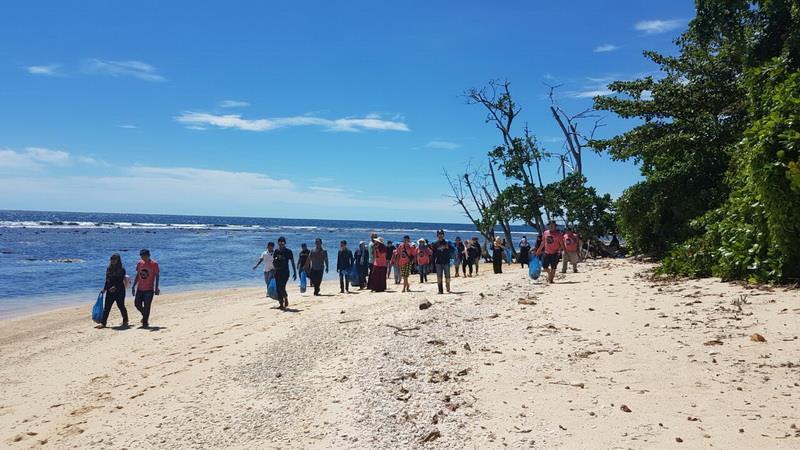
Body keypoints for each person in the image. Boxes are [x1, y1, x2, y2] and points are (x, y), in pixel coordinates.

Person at [97, 253, 129, 328]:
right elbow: (107, 280)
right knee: (107, 307)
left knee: (121, 306)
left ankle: (125, 320)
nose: (113, 260)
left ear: (118, 260)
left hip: (120, 290)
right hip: (110, 291)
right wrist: (104, 289)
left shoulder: (122, 269)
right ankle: (103, 323)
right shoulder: (109, 268)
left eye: (115, 259)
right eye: (112, 259)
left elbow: (120, 280)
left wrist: (115, 287)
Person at [132, 249, 159, 328]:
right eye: (141, 256)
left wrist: (156, 287)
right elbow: (137, 275)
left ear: (148, 255)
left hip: (149, 289)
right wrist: (134, 285)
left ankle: (145, 322)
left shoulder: (154, 264)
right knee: (137, 304)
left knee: (147, 306)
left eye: (143, 256)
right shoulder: (139, 263)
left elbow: (157, 276)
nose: (142, 257)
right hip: (140, 288)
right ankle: (145, 316)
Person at [429, 229, 456, 294]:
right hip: (438, 262)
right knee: (439, 277)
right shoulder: (435, 244)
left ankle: (448, 287)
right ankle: (440, 290)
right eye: (439, 234)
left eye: (441, 234)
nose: (440, 236)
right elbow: (433, 254)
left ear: (443, 235)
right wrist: (432, 264)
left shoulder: (447, 242)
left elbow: (453, 250)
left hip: (446, 261)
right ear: (437, 235)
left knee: (447, 276)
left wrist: (448, 247)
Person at [273, 237, 297, 309]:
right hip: (277, 272)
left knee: (282, 287)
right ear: (278, 243)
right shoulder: (276, 251)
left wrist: (295, 272)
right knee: (278, 288)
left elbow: (292, 262)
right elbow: (274, 262)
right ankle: (281, 304)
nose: (281, 244)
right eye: (279, 243)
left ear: (285, 243)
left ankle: (285, 297)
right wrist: (273, 271)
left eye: (282, 243)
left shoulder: (288, 251)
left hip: (285, 272)